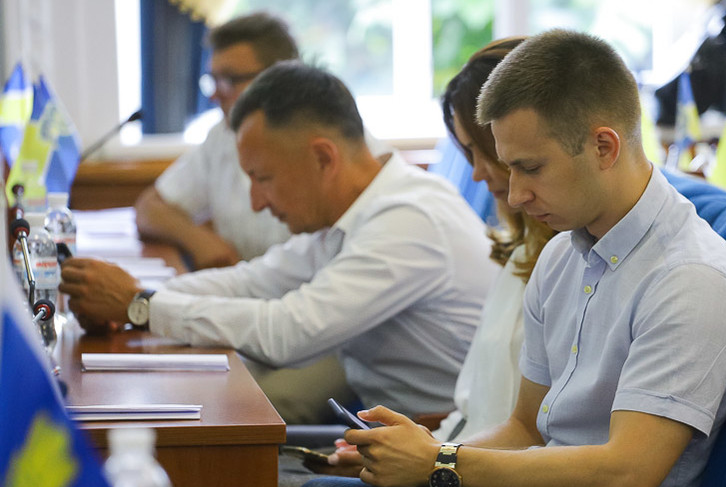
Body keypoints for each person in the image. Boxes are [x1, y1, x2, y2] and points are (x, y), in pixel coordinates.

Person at [298, 29, 726, 487]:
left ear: (604, 147)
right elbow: (525, 427)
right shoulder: (562, 253)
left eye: (531, 167)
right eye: (509, 166)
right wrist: (413, 457)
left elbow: (625, 480)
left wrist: (441, 461)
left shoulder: (692, 279)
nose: (515, 195)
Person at [60, 61, 499, 421]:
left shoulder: (408, 220)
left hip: (452, 458)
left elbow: (287, 333)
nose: (257, 201)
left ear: (322, 158)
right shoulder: (352, 211)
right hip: (401, 440)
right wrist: (130, 297)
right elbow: (251, 281)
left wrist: (140, 305)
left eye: (263, 178)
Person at [317, 37, 557, 478]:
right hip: (466, 462)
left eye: (483, 151)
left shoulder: (567, 265)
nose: (478, 172)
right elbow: (475, 412)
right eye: (467, 153)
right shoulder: (521, 253)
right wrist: (416, 450)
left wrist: (432, 461)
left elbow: (533, 437)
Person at [134, 12, 299, 270]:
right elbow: (149, 208)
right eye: (213, 79)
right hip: (242, 287)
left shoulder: (320, 140)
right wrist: (199, 240)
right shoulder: (223, 135)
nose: (214, 95)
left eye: (229, 80)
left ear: (277, 78)